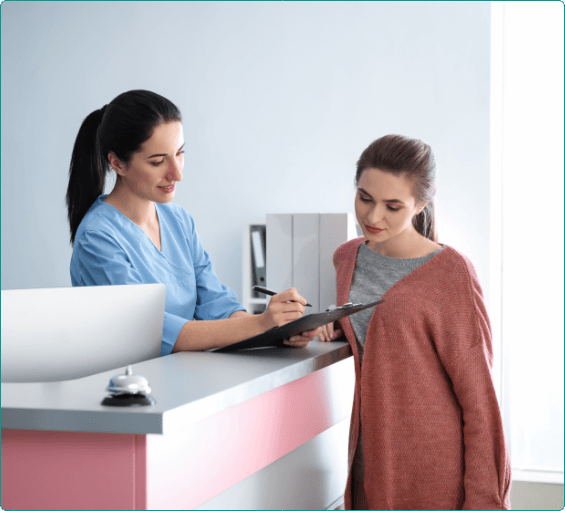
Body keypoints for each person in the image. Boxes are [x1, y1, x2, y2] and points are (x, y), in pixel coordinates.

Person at [319, 135, 511, 510]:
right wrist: (331, 323)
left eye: (393, 206)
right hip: (365, 465)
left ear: (421, 203)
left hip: (431, 474)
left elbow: (480, 402)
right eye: (365, 198)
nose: (373, 217)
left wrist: (485, 501)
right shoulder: (346, 257)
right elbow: (385, 336)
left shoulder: (451, 273)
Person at [66, 89, 319, 355]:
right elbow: (154, 332)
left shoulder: (179, 221)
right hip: (129, 388)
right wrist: (261, 323)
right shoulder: (97, 238)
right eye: (157, 161)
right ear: (117, 163)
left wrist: (278, 329)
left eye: (179, 153)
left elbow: (217, 305)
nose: (177, 173)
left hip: (182, 378)